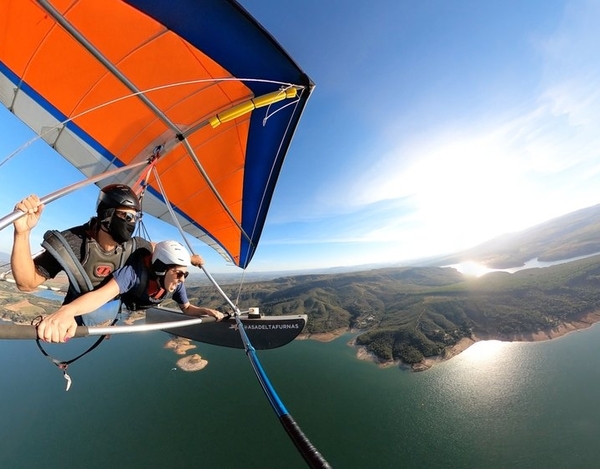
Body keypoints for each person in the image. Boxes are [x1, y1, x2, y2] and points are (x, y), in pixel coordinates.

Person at [12, 184, 153, 326]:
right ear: (107, 214)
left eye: (136, 217)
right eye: (127, 216)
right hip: (75, 321)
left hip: (109, 318)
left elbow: (157, 249)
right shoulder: (72, 244)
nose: (132, 223)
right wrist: (22, 233)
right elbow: (27, 283)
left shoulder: (135, 247)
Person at [37, 240, 224, 343]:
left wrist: (204, 311)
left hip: (132, 305)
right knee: (88, 316)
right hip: (118, 301)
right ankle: (47, 321)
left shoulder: (176, 284)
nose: (182, 279)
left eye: (185, 274)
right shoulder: (133, 273)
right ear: (160, 268)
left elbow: (187, 308)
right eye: (178, 273)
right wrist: (66, 311)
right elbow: (101, 295)